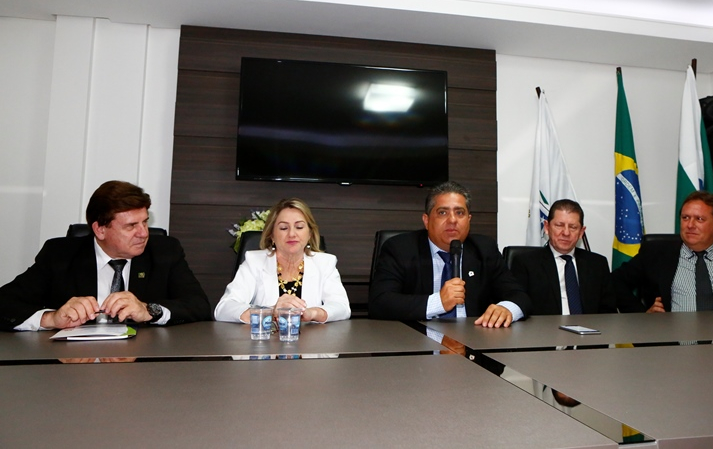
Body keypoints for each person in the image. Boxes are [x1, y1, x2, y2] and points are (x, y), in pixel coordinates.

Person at [0, 180, 212, 331]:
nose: (143, 233)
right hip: (74, 367)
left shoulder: (165, 251)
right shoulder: (60, 255)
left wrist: (149, 310)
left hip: (144, 366)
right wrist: (51, 318)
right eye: (131, 226)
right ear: (100, 230)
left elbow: (199, 305)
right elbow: (5, 303)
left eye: (145, 222)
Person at [369, 181, 532, 327]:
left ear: (469, 219)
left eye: (459, 213)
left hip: (475, 340)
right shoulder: (400, 249)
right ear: (426, 220)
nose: (452, 220)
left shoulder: (484, 249)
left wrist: (506, 308)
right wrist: (438, 302)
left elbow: (519, 295)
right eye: (442, 212)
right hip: (418, 339)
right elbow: (380, 302)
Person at [215, 198, 350, 323]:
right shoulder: (254, 262)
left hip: (311, 340)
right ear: (272, 235)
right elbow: (224, 308)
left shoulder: (325, 263)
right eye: (284, 228)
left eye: (299, 227)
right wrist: (270, 312)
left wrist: (312, 313)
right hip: (265, 340)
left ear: (309, 233)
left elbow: (342, 307)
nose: (291, 234)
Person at [511, 199, 616, 315]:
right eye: (559, 225)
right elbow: (519, 305)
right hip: (546, 326)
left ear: (581, 232)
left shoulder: (598, 264)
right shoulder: (525, 263)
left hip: (589, 326)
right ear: (547, 227)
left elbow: (608, 312)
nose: (566, 233)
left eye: (573, 227)